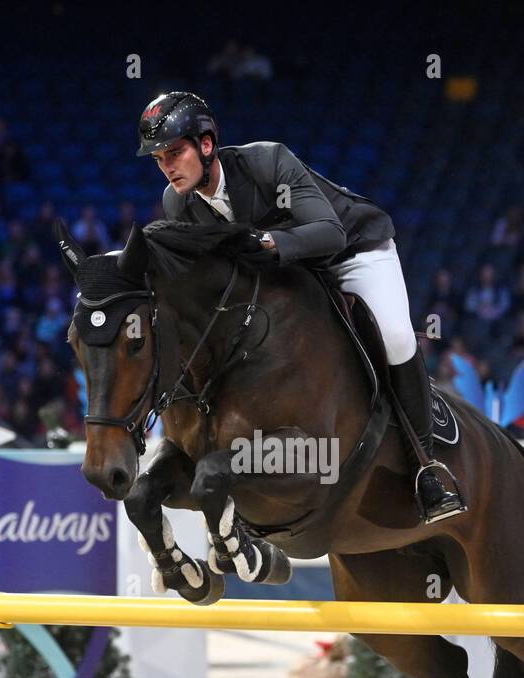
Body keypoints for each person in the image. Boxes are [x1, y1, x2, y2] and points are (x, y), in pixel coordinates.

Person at [135, 91, 465, 523]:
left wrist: (267, 242)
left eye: (174, 152)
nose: (167, 166)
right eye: (159, 158)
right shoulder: (178, 202)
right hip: (287, 278)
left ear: (207, 144)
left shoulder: (267, 162)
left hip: (352, 253)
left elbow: (329, 233)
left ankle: (426, 466)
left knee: (396, 334)